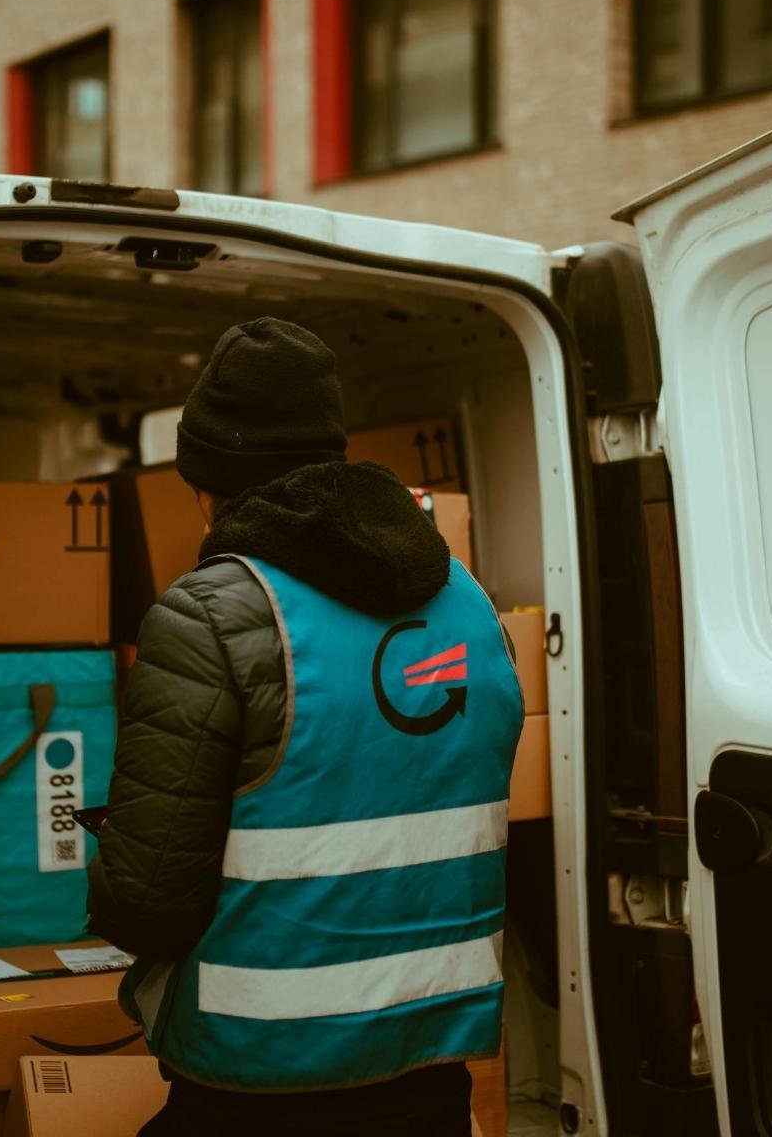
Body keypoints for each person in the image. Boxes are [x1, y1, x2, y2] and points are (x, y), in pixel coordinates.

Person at [87, 317, 523, 1136]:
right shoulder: (470, 601)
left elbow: (145, 908)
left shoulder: (209, 616)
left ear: (210, 483)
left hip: (257, 1079)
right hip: (431, 1068)